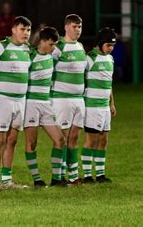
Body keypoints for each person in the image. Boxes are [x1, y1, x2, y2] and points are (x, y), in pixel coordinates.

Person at [0, 16, 32, 188]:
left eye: (28, 30)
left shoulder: (27, 50)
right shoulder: (0, 47)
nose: (26, 33)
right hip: (3, 99)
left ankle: (6, 179)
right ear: (13, 29)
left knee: (13, 139)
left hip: (20, 100)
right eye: (23, 29)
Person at [23, 27, 67, 187]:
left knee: (60, 140)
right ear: (42, 42)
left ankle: (56, 179)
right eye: (51, 44)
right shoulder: (30, 57)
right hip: (31, 104)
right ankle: (37, 180)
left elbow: (67, 42)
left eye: (55, 44)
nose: (54, 47)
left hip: (46, 103)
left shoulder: (53, 53)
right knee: (32, 142)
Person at [51, 14, 86, 185]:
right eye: (74, 26)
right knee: (63, 138)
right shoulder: (58, 47)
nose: (77, 30)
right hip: (61, 99)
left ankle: (73, 175)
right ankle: (59, 175)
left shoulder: (80, 46)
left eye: (79, 27)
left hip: (79, 99)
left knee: (74, 138)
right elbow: (46, 68)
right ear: (66, 27)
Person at [81, 28, 117, 184]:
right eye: (108, 45)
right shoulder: (90, 59)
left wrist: (112, 103)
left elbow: (109, 84)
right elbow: (80, 79)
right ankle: (88, 175)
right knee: (91, 139)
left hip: (104, 106)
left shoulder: (110, 59)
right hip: (92, 105)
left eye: (113, 46)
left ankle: (101, 174)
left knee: (103, 140)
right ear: (100, 44)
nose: (111, 48)